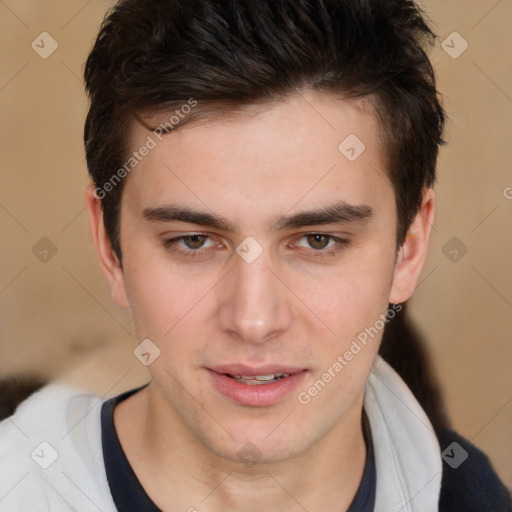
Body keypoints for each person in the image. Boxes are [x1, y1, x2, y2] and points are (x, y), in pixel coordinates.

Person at [0, 0, 510, 510]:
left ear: (410, 248)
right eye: (193, 241)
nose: (253, 320)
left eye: (318, 240)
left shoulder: (472, 495)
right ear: (110, 247)